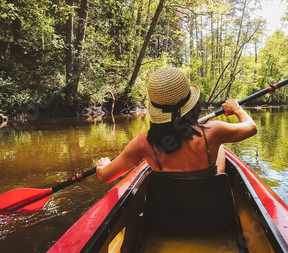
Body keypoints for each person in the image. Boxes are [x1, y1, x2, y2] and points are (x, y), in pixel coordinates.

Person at [96, 66, 257, 183]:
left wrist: (103, 165)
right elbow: (251, 128)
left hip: (166, 221)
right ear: (191, 104)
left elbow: (104, 176)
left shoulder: (142, 143)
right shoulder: (214, 131)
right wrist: (237, 109)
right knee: (220, 146)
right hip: (210, 218)